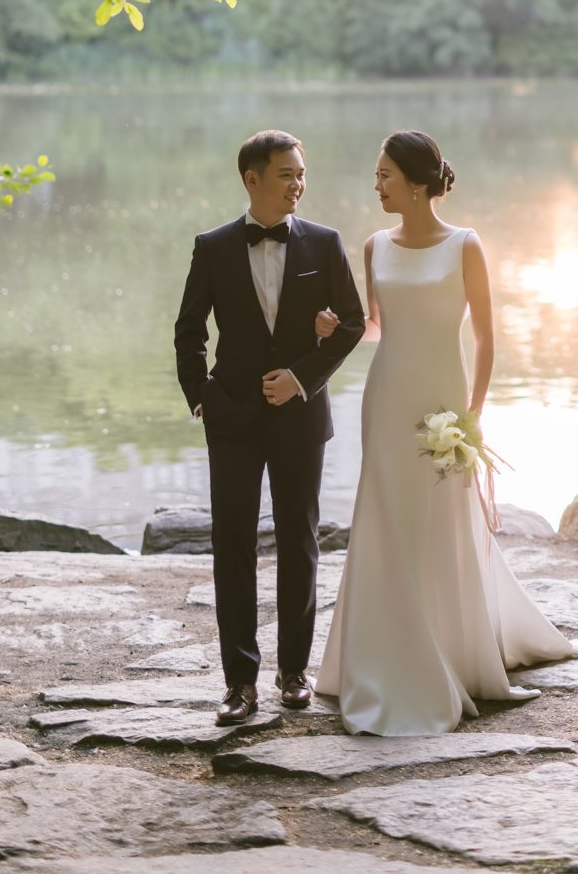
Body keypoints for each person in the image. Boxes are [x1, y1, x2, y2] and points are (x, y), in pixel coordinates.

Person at [315, 128, 578, 735]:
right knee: (386, 515)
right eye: (376, 174)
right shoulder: (374, 245)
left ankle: (455, 650)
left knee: (442, 519)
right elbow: (380, 326)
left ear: (414, 182)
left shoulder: (466, 245)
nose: (375, 185)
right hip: (387, 399)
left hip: (443, 402)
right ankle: (383, 656)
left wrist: (473, 415)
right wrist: (335, 327)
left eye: (384, 175)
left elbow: (485, 337)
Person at [174, 129, 365, 726]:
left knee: (299, 544)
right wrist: (201, 396)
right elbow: (188, 330)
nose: (298, 184)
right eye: (286, 174)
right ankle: (239, 684)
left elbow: (354, 324)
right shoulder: (213, 246)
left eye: (301, 173)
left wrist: (303, 377)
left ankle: (293, 673)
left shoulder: (326, 243)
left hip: (300, 416)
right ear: (252, 180)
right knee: (232, 547)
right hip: (231, 418)